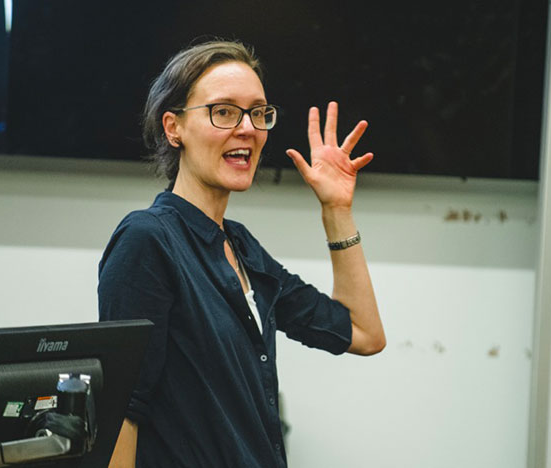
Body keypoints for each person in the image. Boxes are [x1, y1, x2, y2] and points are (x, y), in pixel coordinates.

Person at [98, 40, 385, 468]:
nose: (248, 128)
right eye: (224, 111)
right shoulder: (148, 239)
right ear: (173, 128)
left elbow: (364, 333)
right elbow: (123, 411)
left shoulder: (241, 246)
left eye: (258, 112)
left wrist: (336, 210)